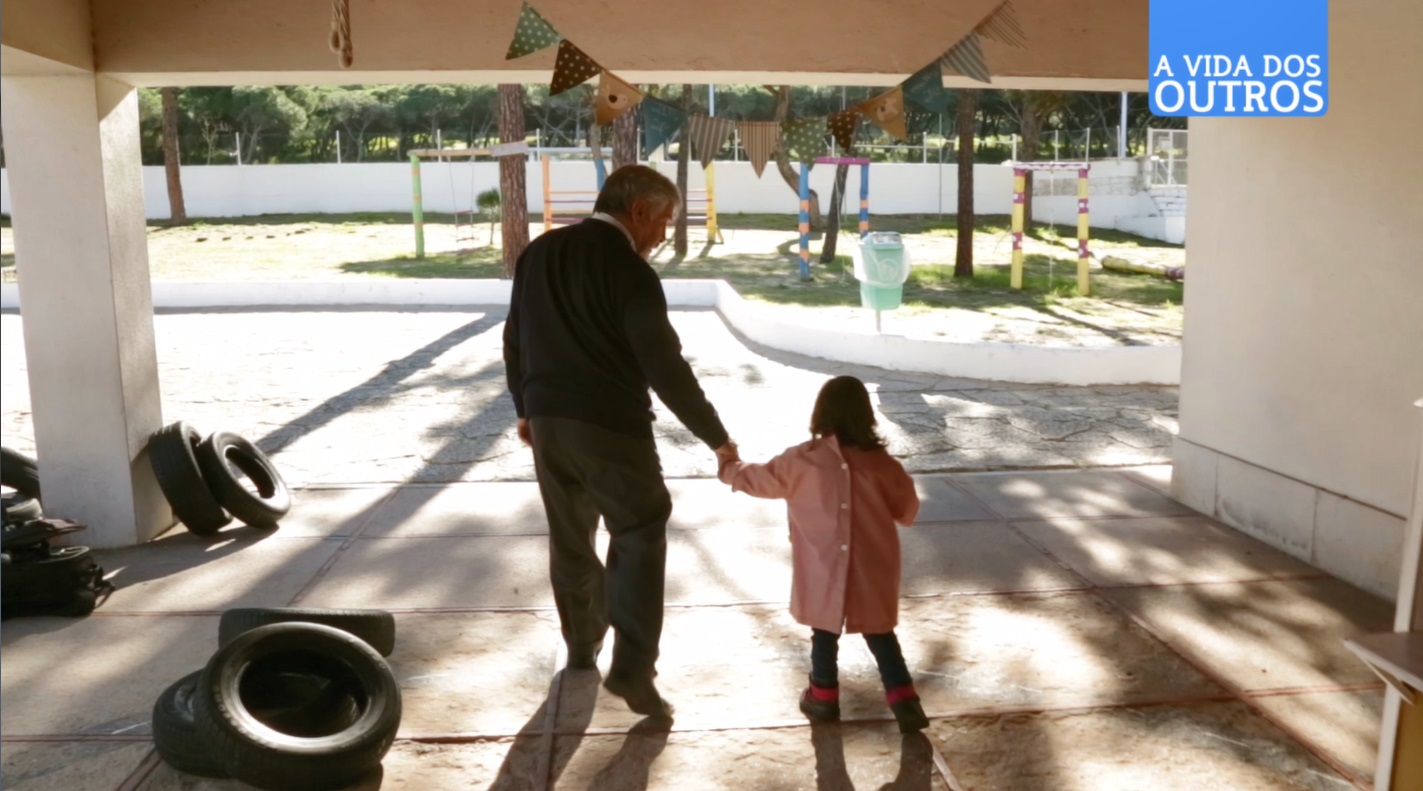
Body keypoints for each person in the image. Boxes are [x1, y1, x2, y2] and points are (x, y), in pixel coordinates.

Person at [504, 164, 738, 719]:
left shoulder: (539, 254)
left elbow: (514, 340)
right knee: (639, 527)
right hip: (610, 427)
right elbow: (664, 365)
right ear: (638, 211)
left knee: (571, 535)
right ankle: (633, 668)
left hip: (548, 424)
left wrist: (525, 410)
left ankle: (582, 645)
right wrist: (717, 437)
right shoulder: (630, 272)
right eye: (663, 221)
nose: (662, 235)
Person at [717, 375, 928, 733]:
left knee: (824, 630)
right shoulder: (883, 464)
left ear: (820, 413)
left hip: (822, 566)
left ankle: (823, 696)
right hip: (873, 567)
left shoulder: (800, 461)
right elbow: (907, 511)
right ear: (867, 415)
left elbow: (756, 479)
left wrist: (728, 463)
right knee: (880, 633)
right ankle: (905, 702)